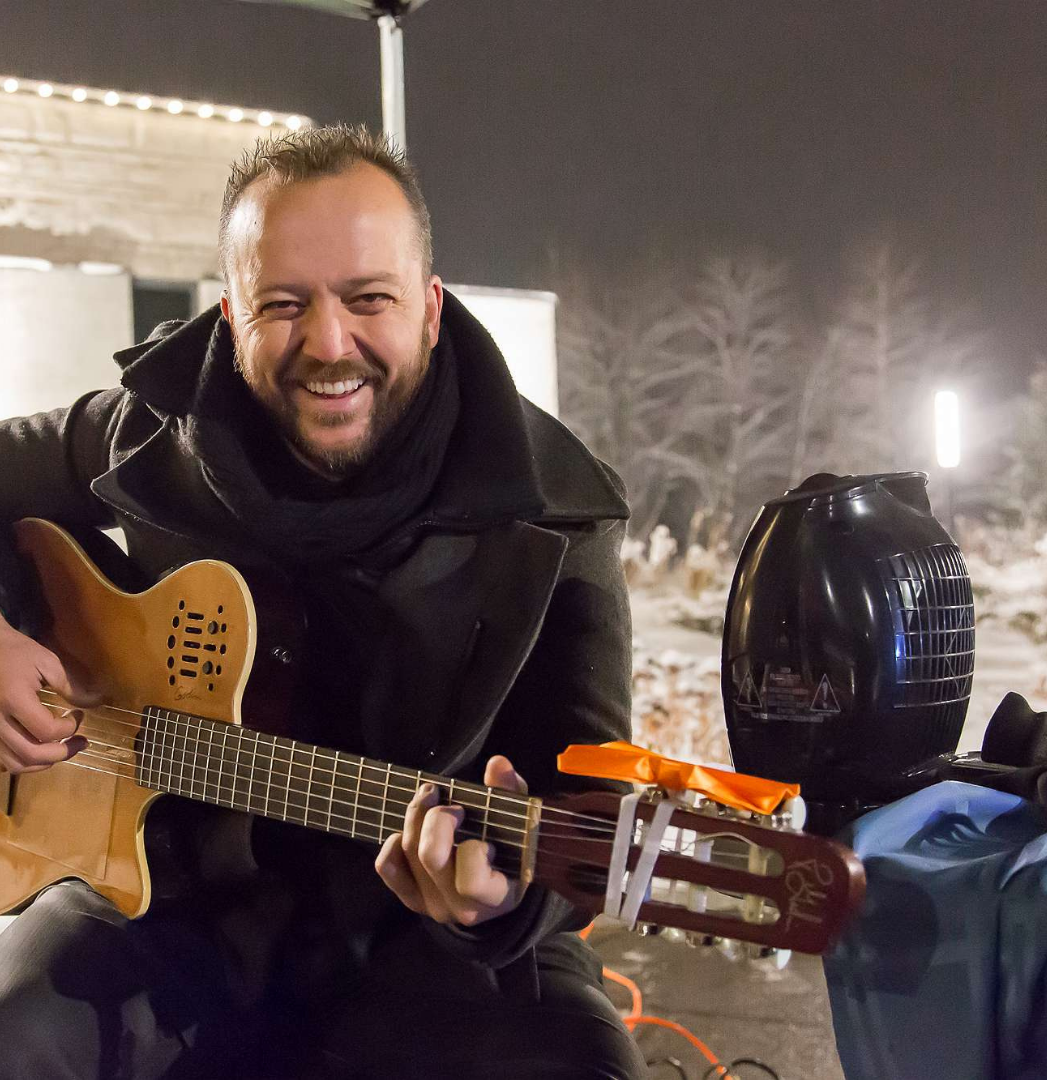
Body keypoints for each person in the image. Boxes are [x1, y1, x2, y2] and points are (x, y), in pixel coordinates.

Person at [0, 124, 646, 1079]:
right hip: (153, 887)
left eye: (367, 299)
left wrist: (499, 904)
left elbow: (584, 786)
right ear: (229, 316)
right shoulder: (149, 430)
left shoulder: (555, 507)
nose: (327, 343)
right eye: (283, 304)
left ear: (430, 307)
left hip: (419, 944)